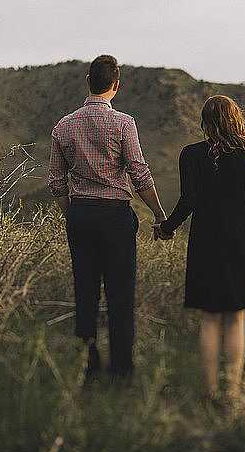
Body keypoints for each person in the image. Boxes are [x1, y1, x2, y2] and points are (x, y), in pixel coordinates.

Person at [48, 55, 166, 381]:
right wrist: (160, 215)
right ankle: (121, 370)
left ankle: (86, 366)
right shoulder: (124, 124)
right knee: (120, 294)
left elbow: (57, 182)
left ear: (88, 81)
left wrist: (72, 214)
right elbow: (139, 174)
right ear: (116, 85)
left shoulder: (63, 126)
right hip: (115, 217)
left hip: (80, 214)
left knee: (84, 292)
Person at [154, 95, 245, 400]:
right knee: (236, 318)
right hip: (241, 245)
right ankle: (232, 393)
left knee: (210, 318)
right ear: (236, 119)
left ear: (205, 122)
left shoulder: (190, 155)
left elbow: (188, 200)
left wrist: (166, 228)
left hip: (205, 243)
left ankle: (210, 391)